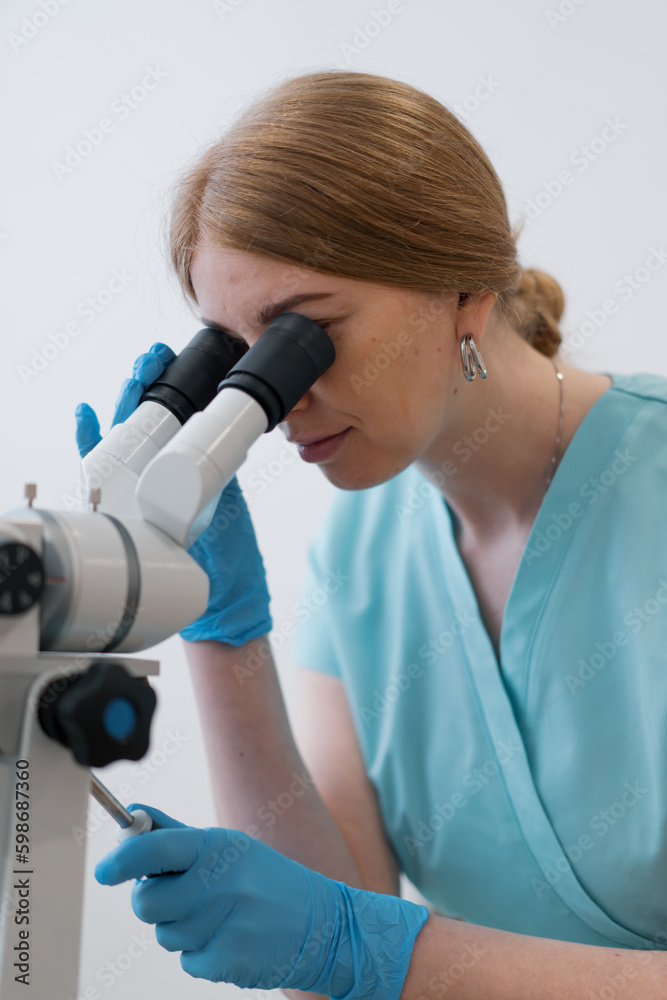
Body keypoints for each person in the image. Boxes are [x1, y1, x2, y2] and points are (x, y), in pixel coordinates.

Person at [80, 71, 667, 998]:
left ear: (463, 291)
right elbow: (320, 954)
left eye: (304, 334)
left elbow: (356, 944)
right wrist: (221, 631)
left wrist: (383, 952)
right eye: (234, 354)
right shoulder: (359, 555)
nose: (275, 400)